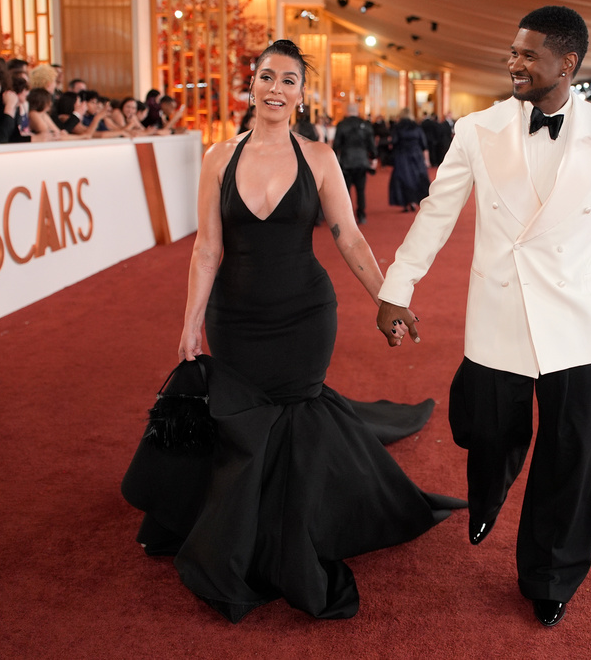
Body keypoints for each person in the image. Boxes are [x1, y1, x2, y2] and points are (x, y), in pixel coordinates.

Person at [121, 39, 462, 623]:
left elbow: (349, 237)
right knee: (244, 422)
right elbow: (208, 248)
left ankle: (291, 535)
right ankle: (240, 529)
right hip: (235, 318)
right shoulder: (218, 158)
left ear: (302, 95)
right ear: (250, 85)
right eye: (266, 77)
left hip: (305, 315)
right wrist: (190, 325)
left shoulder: (321, 159)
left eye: (289, 80)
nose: (276, 89)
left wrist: (389, 297)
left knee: (293, 420)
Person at [376, 6, 591, 628]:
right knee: (488, 428)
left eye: (528, 55)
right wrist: (399, 285)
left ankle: (550, 574)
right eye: (513, 51)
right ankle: (490, 486)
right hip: (498, 307)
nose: (514, 63)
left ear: (567, 63)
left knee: (572, 453)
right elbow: (437, 213)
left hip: (576, 317)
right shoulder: (477, 129)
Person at [332, 103, 376, 223]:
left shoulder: (342, 125)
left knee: (346, 190)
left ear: (347, 111)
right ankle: (361, 214)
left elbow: (336, 145)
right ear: (357, 111)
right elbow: (371, 144)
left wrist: (334, 160)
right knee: (361, 189)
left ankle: (348, 216)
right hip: (362, 161)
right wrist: (373, 158)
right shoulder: (365, 125)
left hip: (346, 161)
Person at [388, 108, 430, 212]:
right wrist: (427, 160)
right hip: (416, 156)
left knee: (404, 179)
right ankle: (416, 201)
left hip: (402, 156)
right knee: (417, 178)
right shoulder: (417, 127)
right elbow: (424, 145)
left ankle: (406, 202)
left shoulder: (397, 127)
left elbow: (394, 142)